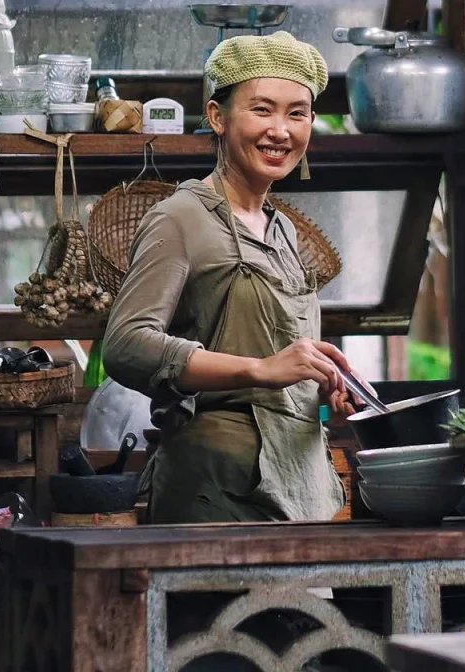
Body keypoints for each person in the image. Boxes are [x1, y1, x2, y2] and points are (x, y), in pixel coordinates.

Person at [101, 32, 356, 523]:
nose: (281, 130)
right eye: (262, 110)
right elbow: (126, 344)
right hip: (218, 494)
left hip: (301, 488)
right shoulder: (180, 218)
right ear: (217, 118)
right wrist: (258, 370)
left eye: (297, 113)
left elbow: (279, 356)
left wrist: (320, 382)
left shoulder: (282, 230)